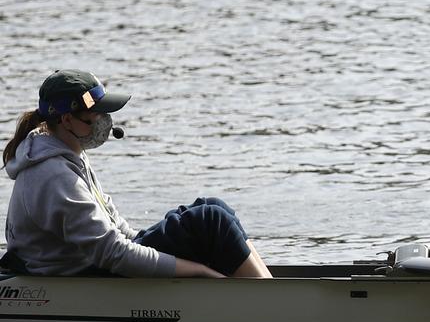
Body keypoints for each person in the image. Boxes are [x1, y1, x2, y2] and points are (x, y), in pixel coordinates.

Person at [2, 69, 272, 278]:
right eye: (95, 114)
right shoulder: (53, 175)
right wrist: (199, 271)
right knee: (210, 220)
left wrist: (171, 255)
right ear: (66, 119)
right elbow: (112, 253)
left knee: (213, 208)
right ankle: (270, 302)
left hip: (94, 262)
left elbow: (118, 230)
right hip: (80, 275)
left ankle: (266, 291)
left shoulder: (69, 154)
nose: (104, 122)